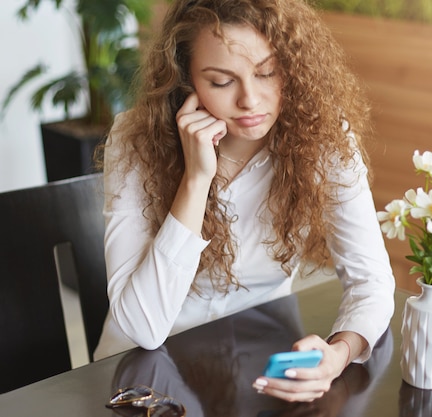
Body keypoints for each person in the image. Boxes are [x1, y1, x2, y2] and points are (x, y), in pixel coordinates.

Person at [93, 0, 395, 403]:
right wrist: (196, 180)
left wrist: (338, 353)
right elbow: (141, 329)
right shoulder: (135, 141)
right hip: (143, 380)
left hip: (261, 373)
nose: (250, 100)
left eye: (267, 72)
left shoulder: (322, 138)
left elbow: (371, 280)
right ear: (186, 82)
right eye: (221, 81)